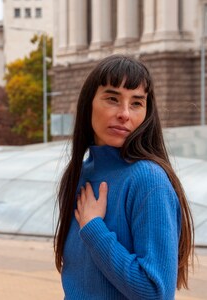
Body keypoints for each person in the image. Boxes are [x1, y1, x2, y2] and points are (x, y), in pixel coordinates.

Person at [54, 55, 194, 299]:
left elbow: (155, 293)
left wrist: (93, 228)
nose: (125, 114)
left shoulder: (148, 180)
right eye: (112, 99)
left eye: (137, 103)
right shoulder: (77, 175)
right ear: (89, 104)